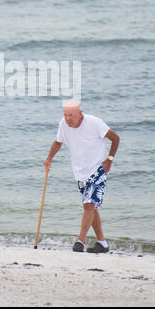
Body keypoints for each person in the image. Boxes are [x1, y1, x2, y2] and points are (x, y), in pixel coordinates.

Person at [43, 100, 120, 253]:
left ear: (80, 113)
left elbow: (115, 138)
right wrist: (49, 158)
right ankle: (102, 243)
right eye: (65, 115)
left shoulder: (95, 123)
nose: (68, 118)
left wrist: (109, 160)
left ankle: (80, 241)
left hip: (99, 168)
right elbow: (58, 143)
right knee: (91, 207)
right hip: (80, 172)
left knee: (88, 205)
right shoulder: (63, 124)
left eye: (71, 115)